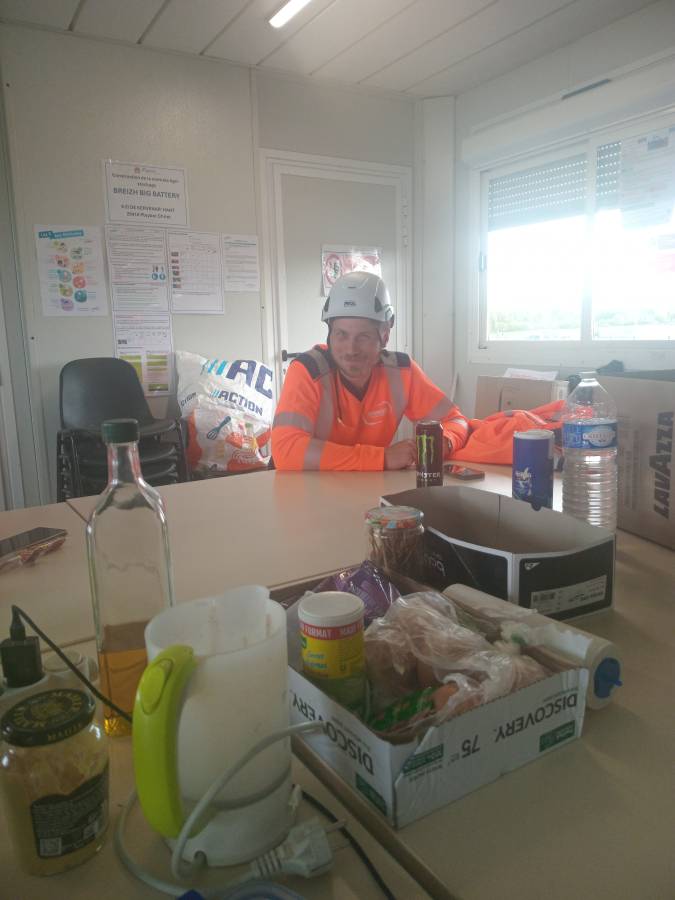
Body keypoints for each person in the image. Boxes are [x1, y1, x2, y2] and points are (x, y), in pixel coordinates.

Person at [272, 272, 469, 470]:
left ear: (385, 335)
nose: (351, 349)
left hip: (370, 484)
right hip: (307, 486)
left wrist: (445, 441)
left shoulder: (401, 372)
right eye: (341, 334)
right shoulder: (308, 371)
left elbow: (456, 420)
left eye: (363, 336)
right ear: (330, 333)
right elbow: (285, 450)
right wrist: (381, 458)